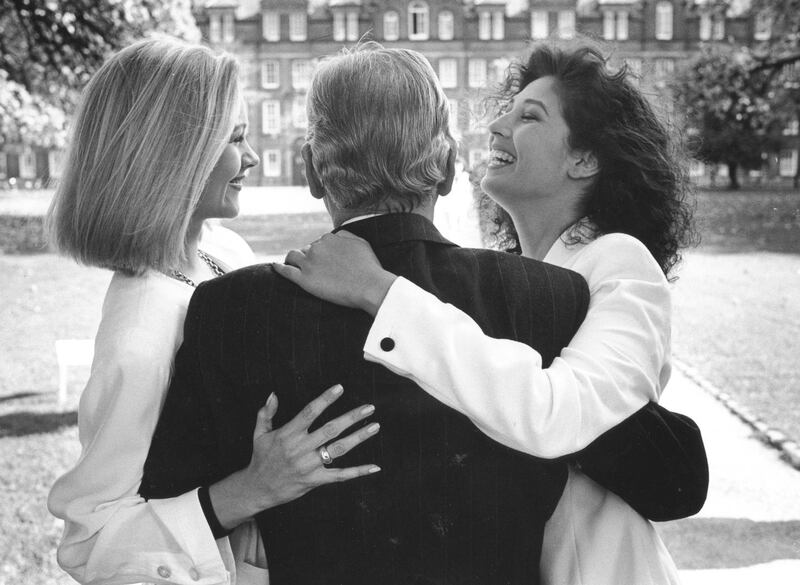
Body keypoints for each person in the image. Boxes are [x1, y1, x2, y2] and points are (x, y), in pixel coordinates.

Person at [141, 43, 705, 585]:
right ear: (449, 167)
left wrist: (381, 292)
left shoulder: (599, 273)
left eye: (530, 116)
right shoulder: (540, 292)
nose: (497, 127)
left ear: (313, 172)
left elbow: (610, 440)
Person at [46, 38, 380, 585]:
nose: (251, 158)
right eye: (237, 139)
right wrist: (249, 491)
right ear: (174, 153)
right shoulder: (139, 337)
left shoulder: (223, 251)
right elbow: (91, 544)